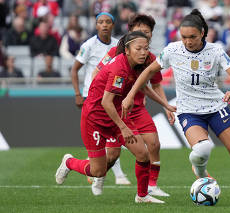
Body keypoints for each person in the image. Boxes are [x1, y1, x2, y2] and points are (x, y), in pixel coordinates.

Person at [122, 9, 230, 206]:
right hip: (189, 111)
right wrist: (131, 95)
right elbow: (147, 72)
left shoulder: (215, 51)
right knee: (203, 148)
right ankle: (201, 173)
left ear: (202, 33)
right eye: (184, 37)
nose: (188, 41)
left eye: (192, 37)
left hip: (216, 107)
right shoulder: (172, 50)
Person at [55, 31, 175, 203]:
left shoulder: (139, 63)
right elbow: (106, 102)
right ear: (127, 50)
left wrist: (165, 104)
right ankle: (69, 162)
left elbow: (143, 87)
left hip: (115, 114)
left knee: (143, 154)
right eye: (138, 48)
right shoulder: (120, 69)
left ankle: (142, 196)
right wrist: (124, 128)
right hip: (95, 119)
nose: (143, 52)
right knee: (98, 171)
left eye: (146, 48)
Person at [92, 14, 173, 197]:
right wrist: (99, 100)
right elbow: (97, 73)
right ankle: (99, 174)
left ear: (151, 35)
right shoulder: (116, 53)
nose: (143, 34)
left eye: (146, 32)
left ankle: (151, 186)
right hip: (116, 110)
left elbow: (156, 85)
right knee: (112, 155)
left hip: (137, 108)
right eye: (139, 31)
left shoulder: (151, 58)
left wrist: (166, 106)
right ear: (130, 34)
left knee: (154, 144)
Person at [70, 12, 130, 185]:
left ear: (113, 25)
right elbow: (74, 70)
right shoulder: (89, 45)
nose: (104, 25)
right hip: (93, 97)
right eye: (100, 22)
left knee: (112, 144)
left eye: (108, 22)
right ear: (96, 25)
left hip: (112, 96)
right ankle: (104, 173)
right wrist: (77, 94)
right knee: (100, 139)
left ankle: (105, 174)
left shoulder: (119, 46)